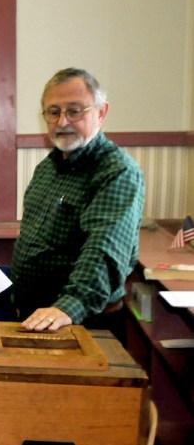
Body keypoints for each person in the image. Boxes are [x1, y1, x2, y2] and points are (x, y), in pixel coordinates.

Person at [11, 67, 145, 341]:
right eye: (53, 112)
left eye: (74, 111)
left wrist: (67, 306)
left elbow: (103, 250)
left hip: (81, 322)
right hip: (38, 318)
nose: (62, 122)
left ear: (101, 113)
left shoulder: (116, 172)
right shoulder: (47, 168)